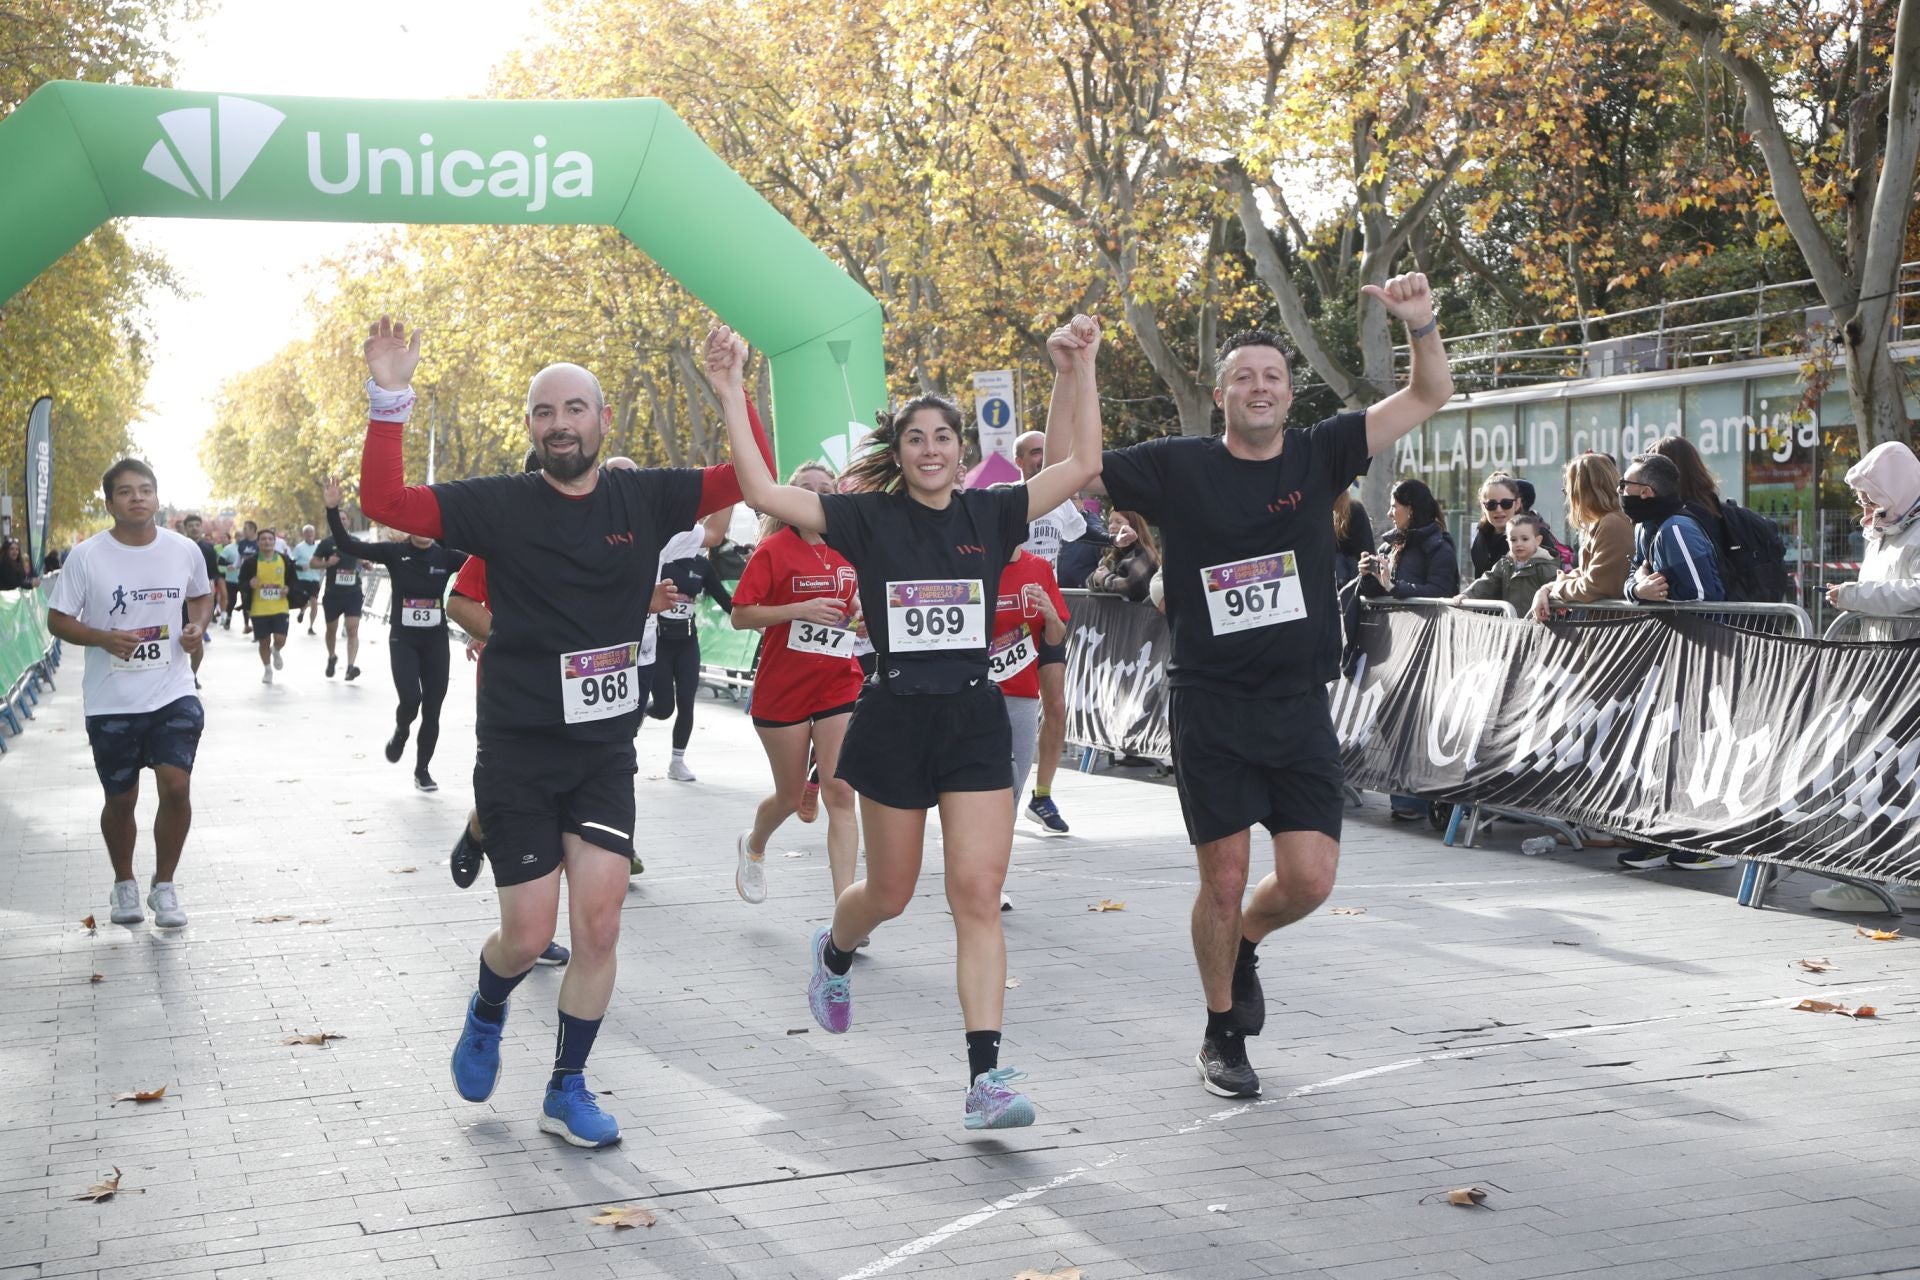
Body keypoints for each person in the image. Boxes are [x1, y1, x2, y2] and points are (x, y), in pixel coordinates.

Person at [356, 316, 767, 1151]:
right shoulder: (501, 504)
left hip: (605, 751)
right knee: (528, 935)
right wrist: (388, 398)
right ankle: (486, 1008)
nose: (561, 425)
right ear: (531, 428)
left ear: (603, 420)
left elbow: (749, 483)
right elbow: (385, 504)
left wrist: (733, 388)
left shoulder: (642, 496)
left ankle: (566, 1087)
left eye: (576, 409)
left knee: (603, 925)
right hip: (517, 749)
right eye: (545, 413)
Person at [1045, 274, 1452, 1099]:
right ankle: (1221, 1029)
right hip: (1211, 702)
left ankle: (1248, 945)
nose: (1259, 387)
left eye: (1272, 376)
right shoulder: (1174, 467)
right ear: (1221, 395)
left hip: (1300, 703)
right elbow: (1069, 468)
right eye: (1244, 376)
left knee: (1310, 880)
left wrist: (1421, 325)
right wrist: (1071, 371)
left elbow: (1429, 392)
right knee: (1223, 879)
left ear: (1288, 393)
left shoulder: (1322, 449)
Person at [709, 310, 1104, 1131]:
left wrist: (1080, 367)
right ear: (900, 454)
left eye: (944, 437)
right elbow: (759, 493)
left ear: (964, 450)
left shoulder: (991, 515)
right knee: (887, 892)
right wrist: (728, 386)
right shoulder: (866, 518)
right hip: (892, 717)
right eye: (916, 438)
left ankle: (986, 1079)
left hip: (972, 720)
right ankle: (835, 950)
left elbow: (1083, 463)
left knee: (976, 894)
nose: (931, 449)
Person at [45, 459, 212, 929]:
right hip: (111, 699)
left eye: (145, 489)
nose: (136, 497)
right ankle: (124, 882)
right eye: (125, 491)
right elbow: (58, 619)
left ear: (157, 498)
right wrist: (101, 637)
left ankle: (164, 885)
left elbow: (200, 595)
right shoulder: (87, 556)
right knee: (121, 799)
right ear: (110, 502)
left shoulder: (184, 550)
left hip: (173, 690)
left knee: (176, 786)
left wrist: (196, 625)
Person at [729, 463, 866, 906]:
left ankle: (846, 909)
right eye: (804, 490)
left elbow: (854, 606)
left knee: (840, 790)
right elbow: (741, 615)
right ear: (787, 500)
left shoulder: (848, 549)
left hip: (837, 684)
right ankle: (753, 844)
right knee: (789, 797)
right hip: (783, 689)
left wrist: (863, 620)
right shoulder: (772, 550)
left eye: (824, 491)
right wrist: (796, 609)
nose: (813, 497)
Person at [1811, 441, 1920, 911]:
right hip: (1885, 661)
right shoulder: (1886, 530)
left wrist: (1857, 595)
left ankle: (1888, 875)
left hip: (1907, 664)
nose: (1864, 505)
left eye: (1870, 494)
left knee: (1893, 769)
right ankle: (1890, 873)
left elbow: (1913, 591)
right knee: (1887, 767)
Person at [323, 480, 467, 791]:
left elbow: (485, 560)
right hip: (404, 640)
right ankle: (402, 730)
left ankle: (422, 770)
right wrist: (332, 509)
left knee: (432, 708)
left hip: (435, 641)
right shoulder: (393, 552)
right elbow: (349, 545)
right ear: (409, 525)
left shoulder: (446, 556)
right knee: (411, 700)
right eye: (418, 523)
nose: (424, 530)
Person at [1012, 431, 1087, 838]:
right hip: (1007, 618)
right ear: (1020, 462)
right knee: (1006, 709)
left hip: (1047, 612)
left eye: (1047, 450)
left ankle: (1042, 795)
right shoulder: (1008, 500)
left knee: (1055, 706)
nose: (1044, 458)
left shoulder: (1058, 503)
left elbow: (1084, 534)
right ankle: (997, 791)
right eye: (1035, 453)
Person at [989, 533, 1071, 908]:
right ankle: (977, 877)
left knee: (1010, 791)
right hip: (975, 695)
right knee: (980, 793)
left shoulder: (1038, 569)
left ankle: (994, 881)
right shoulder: (974, 564)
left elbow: (1055, 634)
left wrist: (1051, 615)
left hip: (1020, 694)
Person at [649, 507, 735, 781]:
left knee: (687, 701)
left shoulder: (701, 565)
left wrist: (757, 621)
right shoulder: (660, 557)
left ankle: (677, 761)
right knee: (664, 709)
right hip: (659, 641)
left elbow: (725, 600)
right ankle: (639, 713)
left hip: (687, 641)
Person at [1532, 453, 1633, 621]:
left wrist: (1557, 589)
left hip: (1616, 629)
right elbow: (1589, 572)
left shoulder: (1612, 523)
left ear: (1579, 492)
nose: (1568, 499)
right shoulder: (1603, 522)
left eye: (1568, 491)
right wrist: (1549, 588)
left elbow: (1595, 585)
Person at [1620, 453, 1723, 606]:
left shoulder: (1676, 529)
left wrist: (1652, 591)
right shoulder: (1642, 525)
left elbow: (1704, 595)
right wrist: (1637, 590)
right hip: (1673, 628)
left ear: (1646, 492)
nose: (1619, 489)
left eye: (1624, 484)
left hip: (1701, 628)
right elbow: (1635, 572)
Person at [1358, 479, 1458, 602]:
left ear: (1410, 509)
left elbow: (1440, 593)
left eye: (1394, 507)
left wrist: (1393, 586)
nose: (1389, 514)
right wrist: (1367, 576)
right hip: (1389, 620)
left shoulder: (1439, 549)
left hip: (1424, 621)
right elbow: (1375, 593)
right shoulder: (1388, 547)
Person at [1456, 512, 1558, 615]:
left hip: (1538, 624)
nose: (1519, 544)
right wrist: (1467, 595)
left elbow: (1557, 588)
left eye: (1525, 539)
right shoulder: (1504, 564)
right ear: (1507, 541)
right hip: (1512, 624)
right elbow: (1487, 582)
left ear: (1538, 540)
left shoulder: (1545, 566)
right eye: (1513, 540)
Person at [311, 515, 364, 679]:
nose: (341, 521)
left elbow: (361, 559)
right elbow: (313, 563)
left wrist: (365, 563)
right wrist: (327, 563)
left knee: (352, 628)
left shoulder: (355, 541)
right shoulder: (327, 543)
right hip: (333, 594)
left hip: (353, 592)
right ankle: (332, 656)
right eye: (338, 518)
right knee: (331, 630)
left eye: (344, 518)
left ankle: (350, 667)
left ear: (349, 521)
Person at [238, 527, 292, 683]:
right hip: (259, 608)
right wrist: (249, 584)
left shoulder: (284, 560)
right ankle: (268, 669)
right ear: (258, 543)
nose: (267, 541)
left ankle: (276, 651)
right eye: (263, 539)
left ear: (274, 542)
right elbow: (241, 582)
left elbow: (293, 580)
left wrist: (288, 588)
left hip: (280, 606)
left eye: (270, 539)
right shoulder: (250, 563)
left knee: (280, 638)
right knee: (264, 641)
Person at [1086, 511, 1160, 603]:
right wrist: (1095, 578)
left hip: (1139, 615)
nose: (1112, 526)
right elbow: (1091, 580)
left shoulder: (1142, 554)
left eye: (1118, 522)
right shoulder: (1110, 554)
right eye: (1110, 522)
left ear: (1134, 526)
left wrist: (1103, 578)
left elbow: (1132, 586)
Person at [290, 523, 324, 634]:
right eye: (307, 532)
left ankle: (311, 626)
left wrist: (322, 570)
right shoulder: (299, 548)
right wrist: (300, 567)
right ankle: (302, 611)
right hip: (302, 579)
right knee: (304, 601)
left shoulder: (318, 547)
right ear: (303, 534)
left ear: (314, 534)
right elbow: (291, 564)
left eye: (311, 532)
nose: (309, 534)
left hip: (314, 579)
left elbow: (322, 562)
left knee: (314, 602)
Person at [234, 520, 259, 634]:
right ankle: (246, 625)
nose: (244, 531)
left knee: (256, 601)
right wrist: (234, 566)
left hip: (258, 575)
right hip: (245, 576)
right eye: (243, 529)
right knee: (245, 600)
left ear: (253, 530)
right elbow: (239, 559)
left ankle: (257, 628)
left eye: (246, 529)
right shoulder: (242, 544)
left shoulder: (260, 542)